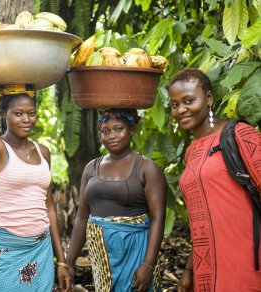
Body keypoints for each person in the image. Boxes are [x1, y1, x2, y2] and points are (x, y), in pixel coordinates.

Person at [0, 84, 70, 291]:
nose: (26, 120)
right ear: (3, 112)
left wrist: (61, 261)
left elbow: (48, 207)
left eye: (31, 113)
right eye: (18, 114)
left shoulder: (43, 152)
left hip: (41, 248)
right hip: (8, 250)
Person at [168, 68, 261, 292]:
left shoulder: (240, 134)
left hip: (245, 265)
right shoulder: (191, 152)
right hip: (207, 269)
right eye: (174, 105)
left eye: (188, 101)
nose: (181, 110)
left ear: (209, 98)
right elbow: (200, 221)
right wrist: (190, 270)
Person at [63, 108, 167, 292]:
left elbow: (158, 218)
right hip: (102, 252)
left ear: (132, 130)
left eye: (118, 129)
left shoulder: (147, 169)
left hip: (135, 250)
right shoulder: (91, 168)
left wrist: (148, 264)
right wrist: (68, 263)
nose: (111, 136)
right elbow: (81, 217)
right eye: (105, 131)